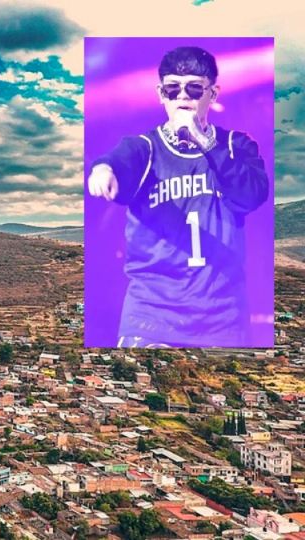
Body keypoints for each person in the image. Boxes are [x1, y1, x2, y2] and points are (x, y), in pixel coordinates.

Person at [87, 46, 268, 347]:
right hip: (151, 318)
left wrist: (202, 139)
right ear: (161, 94)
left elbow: (252, 196)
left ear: (214, 94)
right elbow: (118, 160)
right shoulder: (144, 147)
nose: (183, 96)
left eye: (194, 89)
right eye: (173, 89)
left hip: (222, 319)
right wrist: (102, 169)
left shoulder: (237, 146)